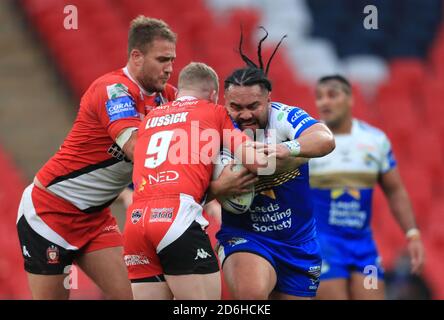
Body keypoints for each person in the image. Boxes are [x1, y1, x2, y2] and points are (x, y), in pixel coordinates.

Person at [16, 16, 177, 299]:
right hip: (49, 214)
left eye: (172, 60)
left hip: (94, 219)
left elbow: (207, 126)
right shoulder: (113, 90)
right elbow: (137, 150)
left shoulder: (165, 97)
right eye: (162, 60)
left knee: (139, 296)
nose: (170, 69)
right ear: (136, 57)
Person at [123, 62, 267, 300]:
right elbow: (257, 163)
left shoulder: (148, 120)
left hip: (136, 223)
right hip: (176, 218)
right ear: (214, 95)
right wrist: (286, 152)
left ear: (178, 92)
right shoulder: (213, 111)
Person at [212, 29, 335, 300]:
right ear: (225, 102)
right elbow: (184, 182)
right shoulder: (214, 128)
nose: (244, 115)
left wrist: (284, 149)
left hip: (298, 245)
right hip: (246, 237)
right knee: (252, 295)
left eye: (253, 106)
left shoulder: (285, 118)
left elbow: (325, 139)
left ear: (269, 99)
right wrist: (217, 188)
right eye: (235, 106)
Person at [310, 75, 425, 299]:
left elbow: (395, 190)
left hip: (363, 247)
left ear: (350, 98)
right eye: (319, 97)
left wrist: (412, 234)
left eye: (332, 95)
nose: (324, 102)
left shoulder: (375, 140)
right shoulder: (309, 140)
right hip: (323, 245)